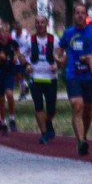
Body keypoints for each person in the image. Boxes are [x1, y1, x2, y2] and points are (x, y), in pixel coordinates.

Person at [56, 3, 92, 156]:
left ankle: (84, 136)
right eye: (77, 13)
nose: (80, 16)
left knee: (87, 110)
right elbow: (60, 49)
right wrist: (58, 58)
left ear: (86, 15)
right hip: (73, 75)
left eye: (83, 13)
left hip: (89, 76)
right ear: (74, 15)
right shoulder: (69, 33)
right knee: (77, 105)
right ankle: (81, 141)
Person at [0, 23, 25, 136]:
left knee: (9, 94)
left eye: (5, 31)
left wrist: (16, 57)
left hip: (9, 71)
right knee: (1, 98)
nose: (3, 34)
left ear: (8, 32)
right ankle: (3, 121)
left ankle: (12, 118)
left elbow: (18, 52)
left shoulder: (12, 43)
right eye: (1, 31)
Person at [26, 15, 59, 144]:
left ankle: (48, 120)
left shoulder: (54, 39)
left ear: (46, 24)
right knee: (38, 105)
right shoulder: (30, 40)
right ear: (35, 24)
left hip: (50, 77)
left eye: (42, 22)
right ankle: (44, 133)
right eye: (38, 22)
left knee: (51, 108)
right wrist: (26, 65)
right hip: (35, 77)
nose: (40, 25)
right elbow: (21, 54)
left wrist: (58, 65)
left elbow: (62, 55)